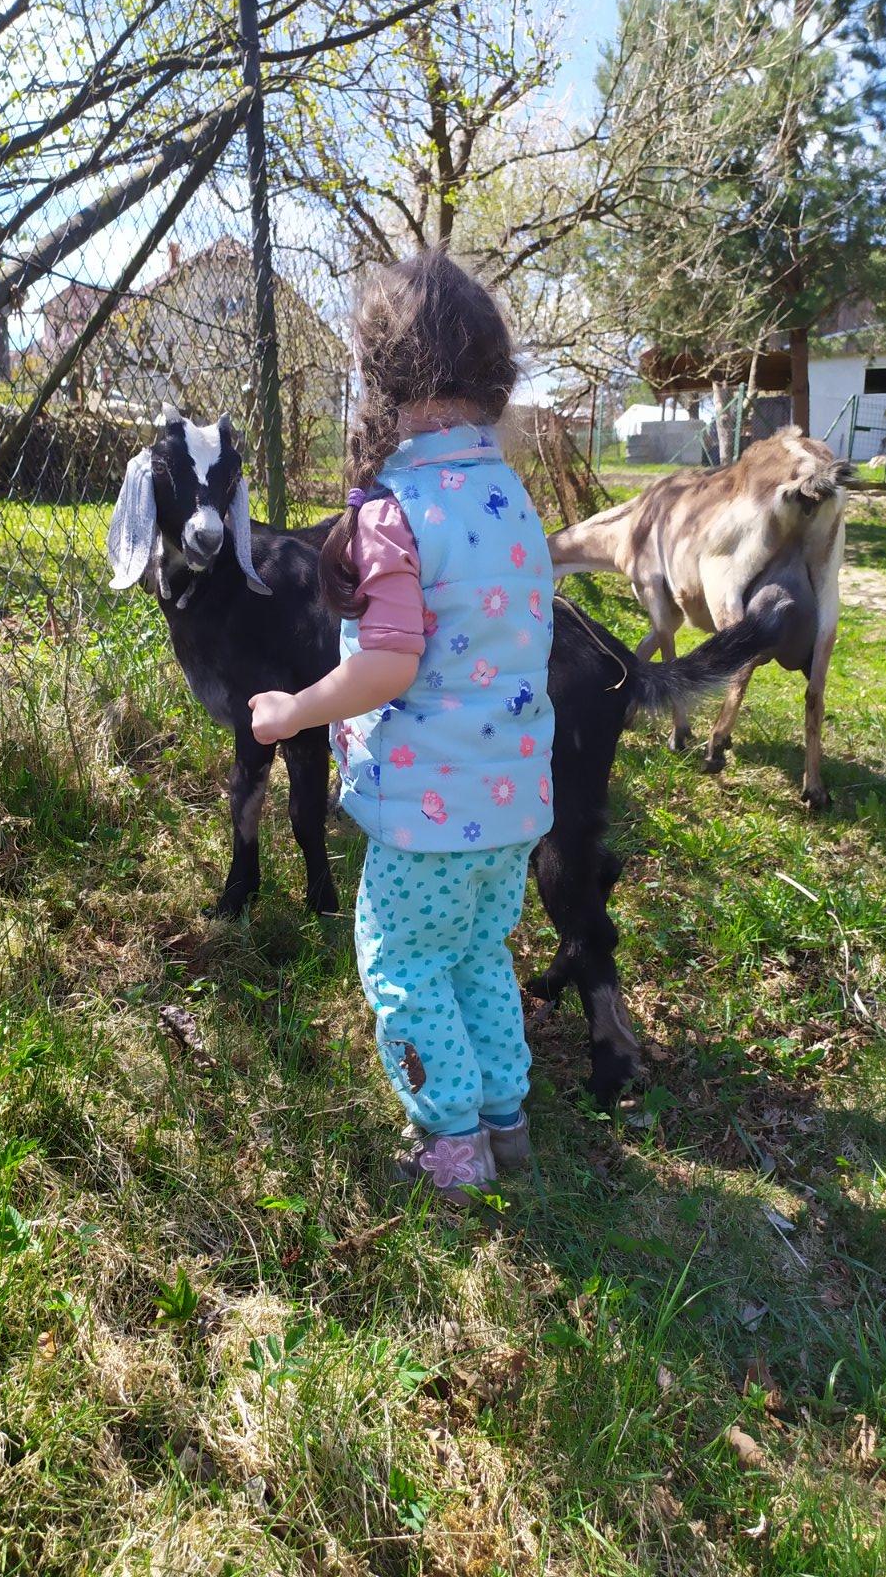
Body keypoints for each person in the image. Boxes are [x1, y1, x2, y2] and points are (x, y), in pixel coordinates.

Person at [249, 251, 555, 1204]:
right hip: (513, 800)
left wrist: (293, 710)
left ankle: (451, 1145)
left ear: (384, 378)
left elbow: (389, 664)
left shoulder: (399, 511)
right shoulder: (511, 500)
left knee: (405, 964)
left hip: (428, 812)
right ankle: (506, 1122)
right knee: (478, 954)